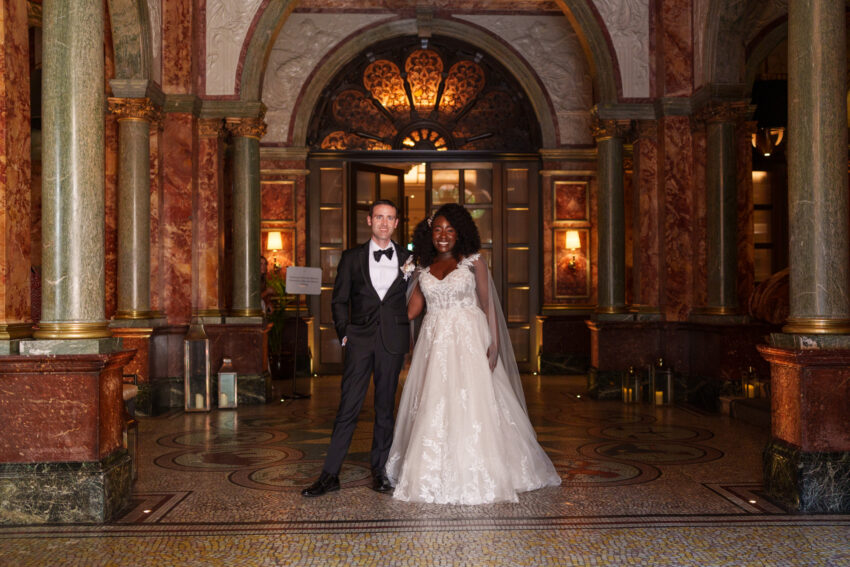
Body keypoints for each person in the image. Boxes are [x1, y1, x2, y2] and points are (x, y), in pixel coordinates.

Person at [385, 203, 561, 504]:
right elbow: (412, 310)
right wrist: (405, 277)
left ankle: (483, 469)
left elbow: (487, 303)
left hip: (468, 338)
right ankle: (432, 473)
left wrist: (492, 345)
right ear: (430, 233)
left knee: (474, 401)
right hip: (435, 341)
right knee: (436, 402)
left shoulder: (473, 262)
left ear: (460, 233)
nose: (443, 235)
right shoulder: (423, 266)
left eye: (450, 230)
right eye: (437, 229)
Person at [302, 200, 411, 497]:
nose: (384, 223)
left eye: (390, 218)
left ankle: (380, 472)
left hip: (392, 342)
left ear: (397, 223)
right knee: (348, 408)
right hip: (359, 340)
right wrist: (344, 332)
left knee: (385, 409)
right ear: (369, 221)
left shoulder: (409, 258)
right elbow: (339, 299)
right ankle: (329, 475)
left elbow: (416, 299)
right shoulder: (351, 258)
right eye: (379, 217)